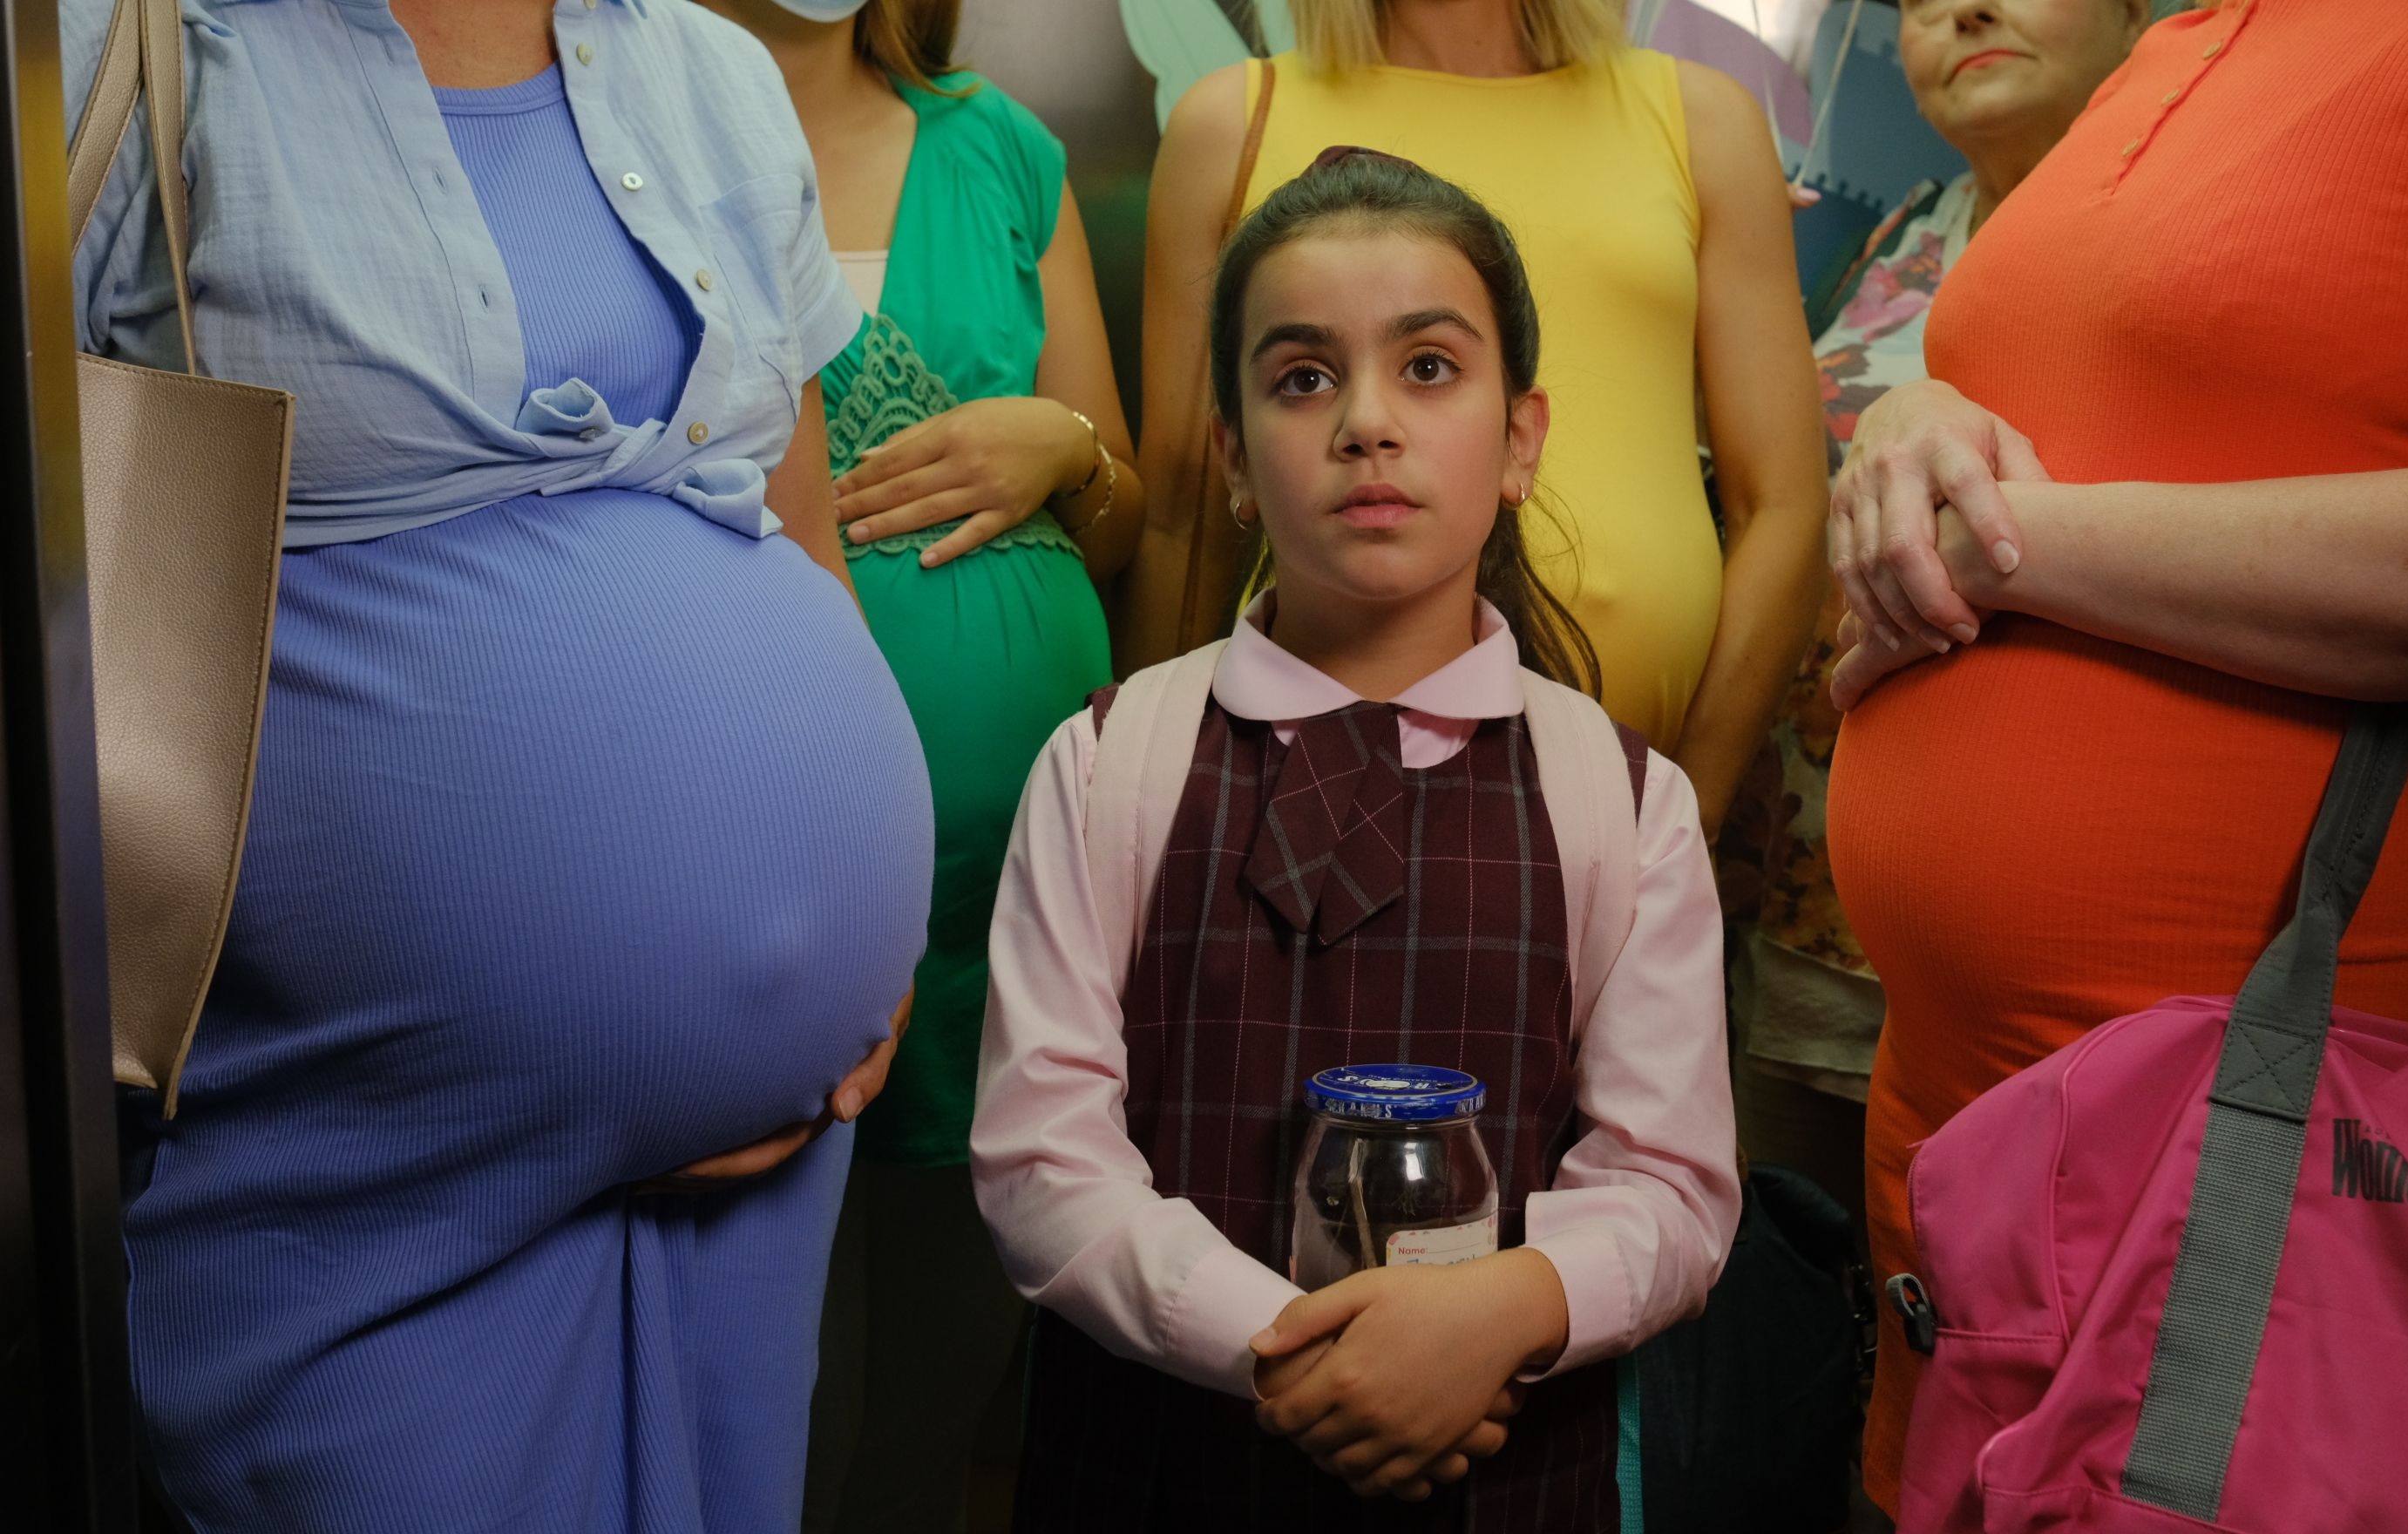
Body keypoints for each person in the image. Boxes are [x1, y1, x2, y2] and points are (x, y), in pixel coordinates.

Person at [1811, 0, 2408, 1515]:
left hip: (2278, 1145)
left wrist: (2010, 554)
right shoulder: (2178, 45)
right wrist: (1920, 407)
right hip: (1959, 1121)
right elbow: (2097, 377)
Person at [69, 0, 932, 1526]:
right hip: (359, 1177)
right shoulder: (111, 47)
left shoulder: (713, 72)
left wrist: (869, 939)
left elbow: (797, 530)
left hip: (770, 1162)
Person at [970, 150, 1741, 1530]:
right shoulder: (1106, 764)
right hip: (1153, 1473)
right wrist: (1297, 1356)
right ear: (1233, 458)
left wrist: (1499, 1317)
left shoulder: (1626, 802)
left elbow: (1668, 1188)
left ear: (1522, 439)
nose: (1367, 423)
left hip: (1509, 1481)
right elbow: (1044, 1163)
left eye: (1429, 369)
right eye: (1303, 377)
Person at [697, 3, 1144, 1526]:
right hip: (745, 857)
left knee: (947, 1365)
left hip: (1010, 882)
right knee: (768, 1361)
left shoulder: (1002, 150)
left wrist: (1064, 447)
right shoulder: (623, 133)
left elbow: (1123, 512)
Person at [1123, 0, 1827, 837]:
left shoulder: (1704, 121)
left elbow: (1784, 506)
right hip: (1288, 798)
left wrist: (1685, 818)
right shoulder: (1230, 122)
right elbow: (1182, 517)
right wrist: (1147, 809)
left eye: (1427, 368)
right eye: (1309, 379)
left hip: (1641, 813)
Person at [1722, 0, 2146, 1272]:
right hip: (1809, 906)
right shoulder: (1904, 231)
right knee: (1792, 1309)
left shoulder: (2182, 231)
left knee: (2020, 1303)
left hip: (2053, 934)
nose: (1962, 10)